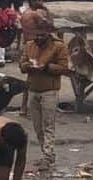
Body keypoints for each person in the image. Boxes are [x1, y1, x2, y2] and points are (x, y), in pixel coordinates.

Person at [20, 23, 69, 166]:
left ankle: (48, 155)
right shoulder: (29, 45)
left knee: (48, 125)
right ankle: (45, 154)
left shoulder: (59, 46)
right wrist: (27, 66)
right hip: (33, 89)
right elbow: (22, 63)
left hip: (50, 90)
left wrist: (47, 67)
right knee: (37, 126)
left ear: (48, 33)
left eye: (41, 35)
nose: (38, 38)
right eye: (36, 35)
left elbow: (64, 68)